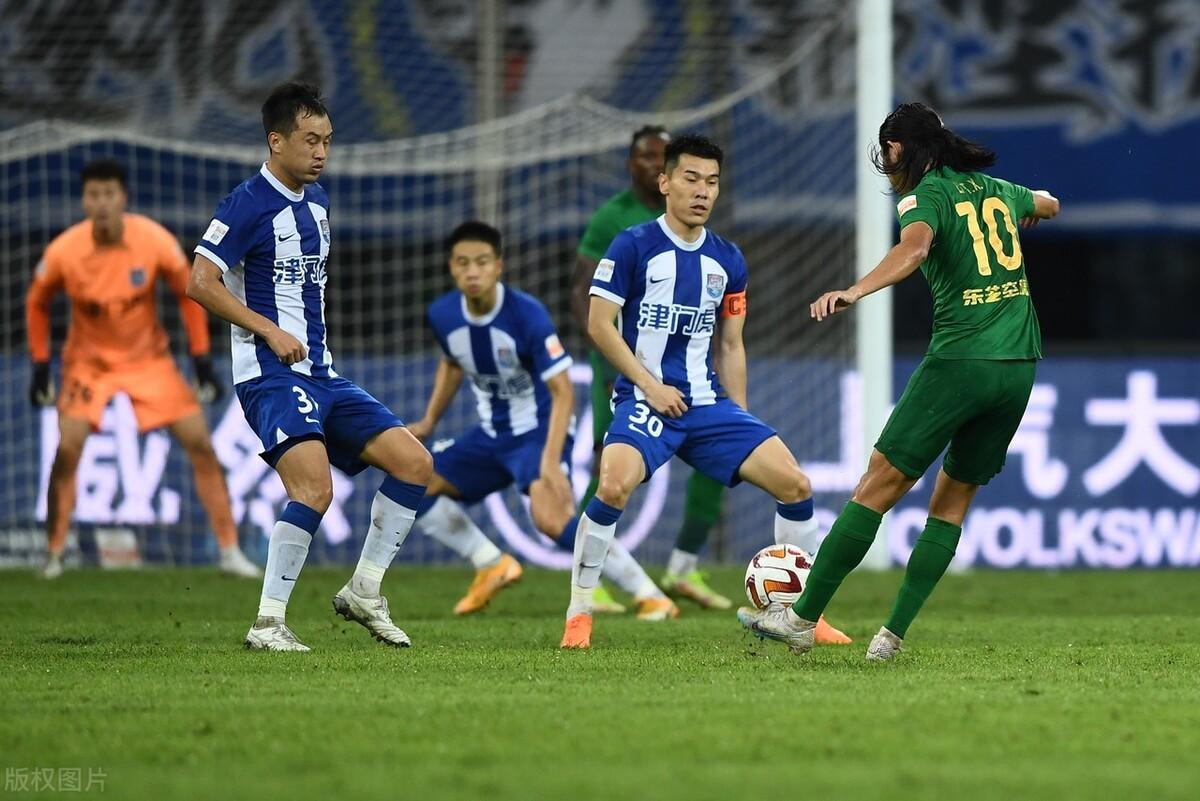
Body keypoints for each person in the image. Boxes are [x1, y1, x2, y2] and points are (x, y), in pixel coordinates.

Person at [738, 102, 1060, 660]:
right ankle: (890, 637)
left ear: (896, 150)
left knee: (878, 484)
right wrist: (1029, 209)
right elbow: (1050, 203)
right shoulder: (994, 189)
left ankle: (801, 618)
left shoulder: (924, 196)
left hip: (961, 360)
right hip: (1019, 365)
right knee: (953, 502)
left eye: (887, 156)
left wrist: (854, 290)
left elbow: (914, 248)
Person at [561, 133, 849, 649]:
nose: (702, 191)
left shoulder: (728, 259)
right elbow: (599, 324)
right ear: (665, 182)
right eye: (691, 179)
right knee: (612, 487)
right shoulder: (632, 245)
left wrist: (741, 419)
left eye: (712, 182)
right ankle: (579, 614)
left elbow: (731, 345)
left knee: (795, 485)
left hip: (707, 404)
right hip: (645, 399)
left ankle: (804, 615)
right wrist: (650, 386)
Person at [188, 81, 433, 652]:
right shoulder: (247, 203)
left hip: (322, 375)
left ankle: (365, 591)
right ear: (276, 141)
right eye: (309, 140)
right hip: (269, 375)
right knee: (313, 488)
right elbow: (199, 282)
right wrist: (269, 330)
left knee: (414, 463)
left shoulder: (318, 201)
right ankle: (267, 624)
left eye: (327, 140)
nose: (321, 152)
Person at [409, 221, 678, 621]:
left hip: (537, 432)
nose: (472, 272)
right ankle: (490, 563)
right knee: (414, 481)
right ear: (451, 267)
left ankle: (649, 594)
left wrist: (551, 462)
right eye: (463, 263)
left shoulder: (526, 314)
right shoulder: (443, 314)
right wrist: (429, 420)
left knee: (550, 520)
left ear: (498, 265)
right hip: (491, 435)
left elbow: (563, 391)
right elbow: (451, 363)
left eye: (482, 262)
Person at [26, 159, 259, 581]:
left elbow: (189, 291)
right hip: (88, 365)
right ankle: (54, 554)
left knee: (200, 443)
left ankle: (229, 550)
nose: (101, 203)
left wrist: (201, 359)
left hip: (148, 361)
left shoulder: (153, 240)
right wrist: (41, 363)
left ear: (123, 198)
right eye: (93, 195)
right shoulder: (65, 250)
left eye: (109, 194)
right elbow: (36, 302)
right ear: (84, 201)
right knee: (68, 449)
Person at [570, 125, 732, 611]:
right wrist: (610, 368)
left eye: (661, 154)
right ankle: (592, 579)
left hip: (690, 373)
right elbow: (585, 295)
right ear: (641, 168)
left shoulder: (703, 228)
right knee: (611, 468)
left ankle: (683, 565)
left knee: (721, 463)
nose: (653, 162)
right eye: (646, 156)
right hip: (623, 368)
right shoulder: (614, 221)